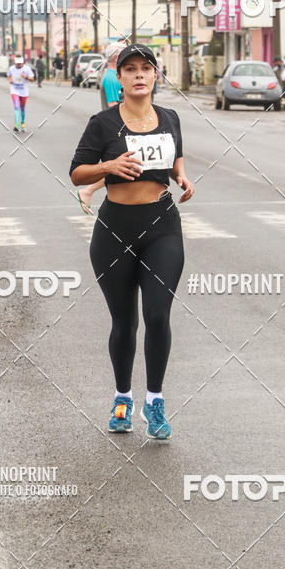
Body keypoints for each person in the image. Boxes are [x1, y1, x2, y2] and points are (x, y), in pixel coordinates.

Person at [70, 43, 194, 441]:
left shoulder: (170, 117)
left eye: (146, 68)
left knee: (158, 315)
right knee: (124, 322)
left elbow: (174, 156)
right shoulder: (102, 124)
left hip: (162, 225)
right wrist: (108, 166)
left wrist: (181, 177)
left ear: (155, 75)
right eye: (131, 69)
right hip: (114, 230)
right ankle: (122, 397)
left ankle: (154, 402)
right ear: (118, 78)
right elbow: (77, 174)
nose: (139, 75)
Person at [77, 43, 124, 215]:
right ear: (116, 57)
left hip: (118, 126)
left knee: (119, 168)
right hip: (116, 127)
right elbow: (113, 105)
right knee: (117, 168)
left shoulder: (114, 76)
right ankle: (88, 191)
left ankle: (89, 192)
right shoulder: (111, 78)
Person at [7, 53, 34, 131]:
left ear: (22, 62)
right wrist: (10, 80)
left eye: (20, 63)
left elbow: (32, 79)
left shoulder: (27, 69)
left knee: (22, 108)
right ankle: (16, 125)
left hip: (24, 91)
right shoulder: (11, 68)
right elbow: (8, 75)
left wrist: (25, 77)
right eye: (17, 63)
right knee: (16, 106)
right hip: (14, 90)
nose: (18, 65)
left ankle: (22, 123)